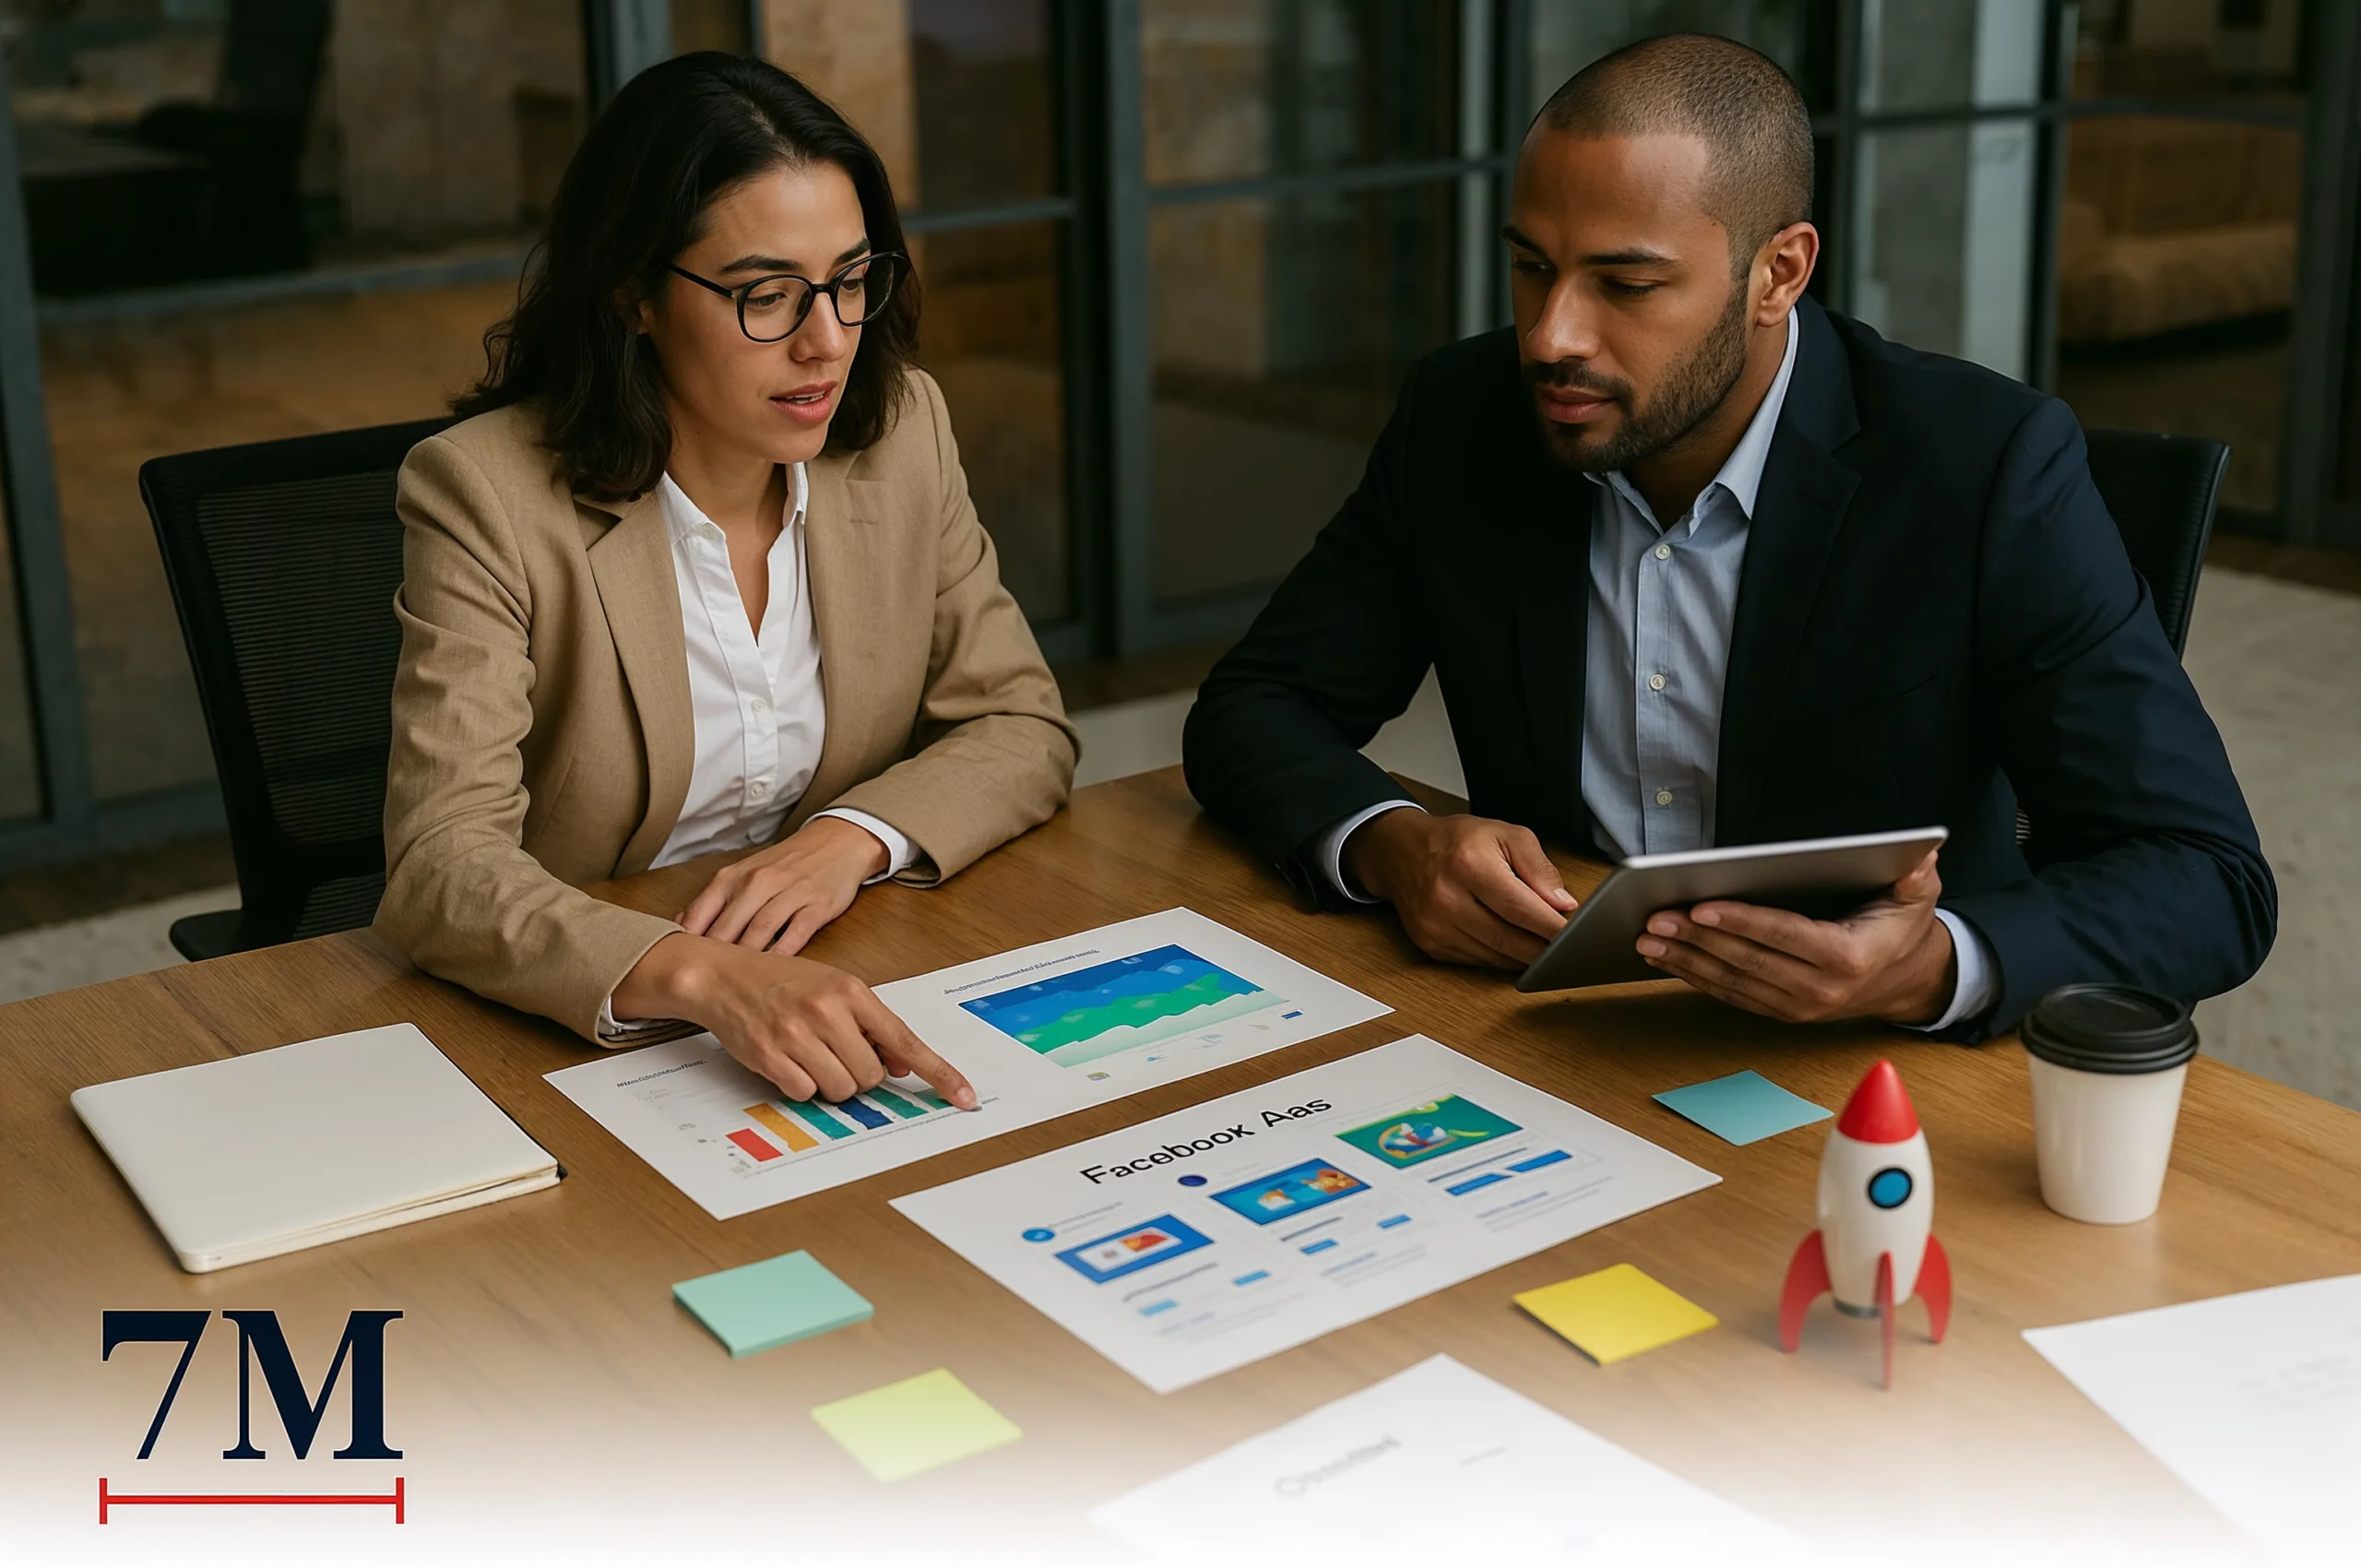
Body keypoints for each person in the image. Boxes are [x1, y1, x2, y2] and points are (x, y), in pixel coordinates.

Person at [1182, 34, 2273, 1039]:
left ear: (1779, 274)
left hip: (1867, 1071)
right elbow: (1255, 707)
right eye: (1530, 267)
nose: (1551, 335)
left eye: (1626, 283)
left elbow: (2205, 874)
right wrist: (1391, 844)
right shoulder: (1464, 418)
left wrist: (1929, 966)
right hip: (1551, 1037)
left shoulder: (1985, 468)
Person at [378, 53, 1075, 1106]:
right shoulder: (484, 494)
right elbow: (439, 861)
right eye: (766, 296)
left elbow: (1021, 722)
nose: (827, 342)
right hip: (589, 1025)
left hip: (854, 961)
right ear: (635, 298)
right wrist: (706, 977)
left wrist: (846, 842)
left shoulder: (900, 434)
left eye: (850, 281)